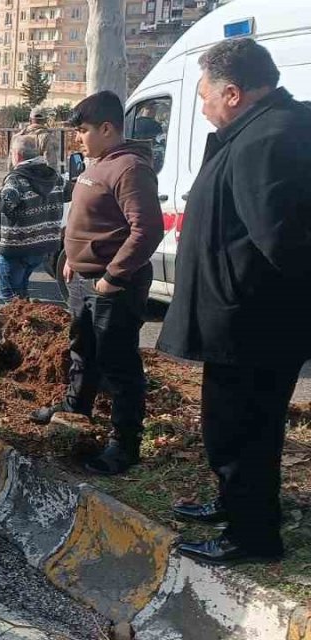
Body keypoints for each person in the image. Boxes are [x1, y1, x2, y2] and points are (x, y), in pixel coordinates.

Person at [157, 39, 311, 565]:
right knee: (231, 426)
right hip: (241, 321)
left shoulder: (269, 138)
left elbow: (285, 242)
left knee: (242, 431)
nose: (201, 106)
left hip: (251, 326)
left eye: (204, 96)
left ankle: (253, 536)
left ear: (233, 92)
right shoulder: (258, 130)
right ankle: (232, 506)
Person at [29, 90, 163, 476]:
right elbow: (86, 219)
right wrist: (71, 257)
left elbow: (147, 229)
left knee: (117, 364)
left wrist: (112, 277)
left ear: (107, 128)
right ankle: (75, 407)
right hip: (82, 279)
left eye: (84, 130)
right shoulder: (97, 164)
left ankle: (124, 445)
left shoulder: (129, 169)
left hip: (112, 287)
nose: (78, 138)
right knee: (82, 348)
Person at [0, 134, 65, 303]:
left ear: (18, 155)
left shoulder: (16, 179)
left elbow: (5, 203)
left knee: (9, 295)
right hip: (42, 245)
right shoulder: (55, 177)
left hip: (17, 246)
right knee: (21, 291)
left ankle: (15, 325)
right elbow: (68, 193)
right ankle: (24, 320)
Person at [20, 106, 60, 170]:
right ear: (45, 121)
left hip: (17, 177)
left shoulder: (17, 137)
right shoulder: (46, 138)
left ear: (30, 120)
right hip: (37, 178)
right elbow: (51, 165)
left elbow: (11, 165)